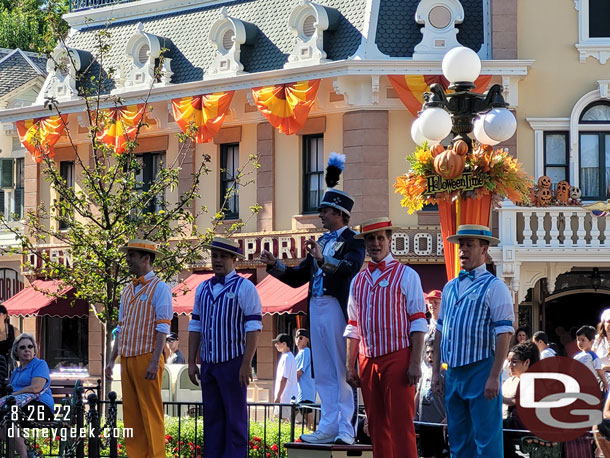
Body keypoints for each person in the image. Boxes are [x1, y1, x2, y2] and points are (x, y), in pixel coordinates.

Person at [260, 169, 365, 445]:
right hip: (315, 308)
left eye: (325, 211)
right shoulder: (320, 241)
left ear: (339, 213)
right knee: (325, 371)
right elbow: (297, 277)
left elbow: (349, 269)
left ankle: (347, 430)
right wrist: (274, 264)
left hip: (336, 309)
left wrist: (324, 260)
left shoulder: (354, 241)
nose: (320, 215)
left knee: (342, 370)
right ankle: (328, 425)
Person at [344, 217, 427, 458]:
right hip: (367, 360)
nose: (376, 243)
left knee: (401, 425)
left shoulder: (407, 275)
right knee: (376, 426)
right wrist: (350, 366)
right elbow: (353, 326)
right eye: (370, 238)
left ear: (390, 240)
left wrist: (414, 362)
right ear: (365, 243)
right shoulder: (357, 281)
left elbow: (418, 322)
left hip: (399, 356)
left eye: (381, 238)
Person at [432, 224, 514, 458]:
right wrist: (437, 372)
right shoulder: (449, 287)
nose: (463, 250)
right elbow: (440, 331)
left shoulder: (495, 287)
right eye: (461, 244)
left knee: (487, 440)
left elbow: (504, 334)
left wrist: (493, 376)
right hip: (454, 372)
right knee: (458, 439)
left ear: (484, 249)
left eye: (470, 244)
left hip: (482, 369)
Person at [188, 237, 262, 458]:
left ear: (233, 259)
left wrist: (246, 363)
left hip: (233, 362)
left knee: (235, 419)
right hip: (209, 363)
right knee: (212, 419)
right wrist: (191, 361)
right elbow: (195, 325)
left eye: (222, 256)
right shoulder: (202, 288)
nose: (217, 260)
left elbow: (254, 327)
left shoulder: (245, 287)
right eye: (214, 256)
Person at [105, 239, 172, 458]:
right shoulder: (127, 290)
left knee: (150, 412)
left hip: (147, 357)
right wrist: (111, 358)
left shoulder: (161, 288)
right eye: (128, 255)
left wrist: (155, 361)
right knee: (132, 414)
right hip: (127, 357)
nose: (128, 259)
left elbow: (163, 326)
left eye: (132, 255)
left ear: (146, 258)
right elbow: (121, 327)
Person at [0, 333, 54, 458]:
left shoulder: (40, 364)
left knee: (8, 416)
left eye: (30, 347)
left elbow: (36, 388)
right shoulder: (16, 371)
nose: (27, 350)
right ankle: (23, 451)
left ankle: (24, 455)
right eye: (22, 348)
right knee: (4, 420)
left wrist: (12, 395)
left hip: (40, 406)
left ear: (35, 350)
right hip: (18, 406)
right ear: (16, 352)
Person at [502, 341, 539, 458]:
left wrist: (499, 398)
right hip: (508, 423)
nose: (509, 366)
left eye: (514, 362)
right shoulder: (509, 381)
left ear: (526, 362)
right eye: (509, 362)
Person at [415, 341, 448, 458]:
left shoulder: (446, 374)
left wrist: (448, 416)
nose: (429, 355)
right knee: (425, 453)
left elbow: (451, 397)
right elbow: (418, 393)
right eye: (427, 352)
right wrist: (413, 414)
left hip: (438, 423)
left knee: (439, 453)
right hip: (424, 421)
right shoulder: (424, 372)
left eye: (433, 352)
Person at [273, 333, 298, 418]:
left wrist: (278, 396)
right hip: (286, 396)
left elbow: (284, 378)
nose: (276, 345)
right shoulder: (287, 357)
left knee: (283, 422)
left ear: (284, 344)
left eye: (277, 343)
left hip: (285, 397)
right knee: (282, 422)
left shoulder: (287, 358)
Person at [294, 328, 316, 428]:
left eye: (301, 338)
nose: (298, 340)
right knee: (293, 413)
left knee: (307, 414)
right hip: (299, 391)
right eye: (297, 337)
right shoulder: (300, 353)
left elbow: (299, 372)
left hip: (305, 391)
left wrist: (290, 385)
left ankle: (311, 435)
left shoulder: (305, 351)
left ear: (307, 339)